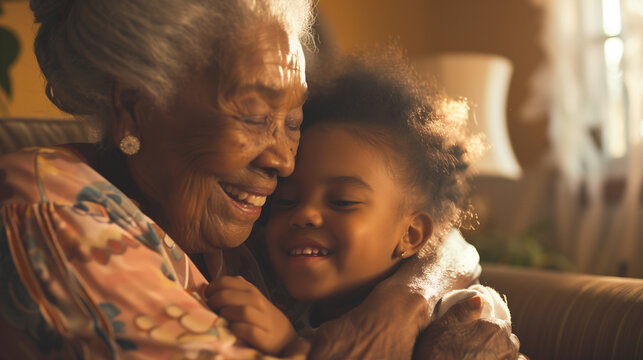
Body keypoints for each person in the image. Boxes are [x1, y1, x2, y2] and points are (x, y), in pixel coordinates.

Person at [0, 0, 513, 358]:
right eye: (251, 114)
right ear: (133, 107)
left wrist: (404, 302)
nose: (285, 163)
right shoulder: (54, 208)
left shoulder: (244, 218)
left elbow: (436, 234)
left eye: (293, 124)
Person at [206, 50, 520, 358]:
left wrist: (288, 345)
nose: (304, 214)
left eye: (342, 202)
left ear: (411, 234)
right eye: (286, 200)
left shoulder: (461, 311)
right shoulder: (285, 301)